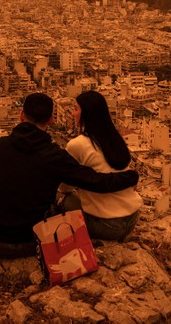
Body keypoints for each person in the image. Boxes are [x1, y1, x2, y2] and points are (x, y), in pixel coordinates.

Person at [0, 92, 140, 258]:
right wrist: (130, 177)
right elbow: (96, 181)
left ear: (21, 115)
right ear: (51, 120)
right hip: (33, 242)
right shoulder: (54, 156)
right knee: (57, 200)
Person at [59, 90, 142, 241]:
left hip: (107, 227)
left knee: (60, 197)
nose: (73, 113)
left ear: (86, 114)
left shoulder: (77, 144)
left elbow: (65, 187)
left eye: (76, 109)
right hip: (132, 219)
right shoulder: (115, 139)